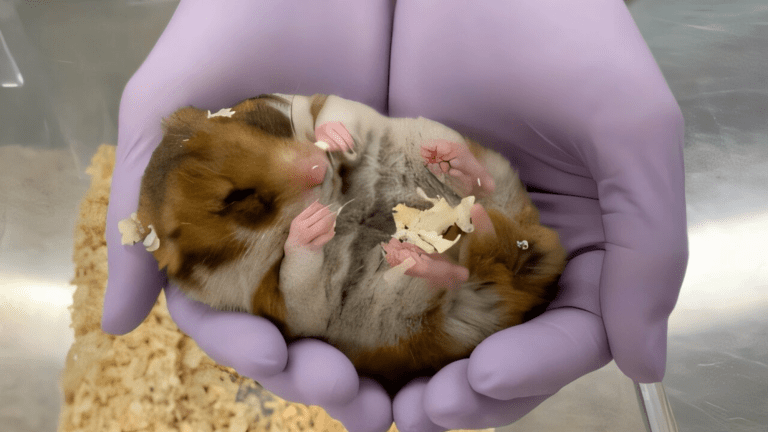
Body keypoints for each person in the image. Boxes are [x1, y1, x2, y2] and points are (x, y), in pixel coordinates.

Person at [103, 1, 688, 431]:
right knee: (385, 306)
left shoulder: (260, 123)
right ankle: (456, 263)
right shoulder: (220, 271)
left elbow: (318, 121)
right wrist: (302, 259)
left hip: (411, 194)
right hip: (408, 303)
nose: (306, 165)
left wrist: (326, 123)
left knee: (419, 148)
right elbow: (302, 310)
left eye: (269, 135)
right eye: (250, 200)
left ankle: (477, 195)